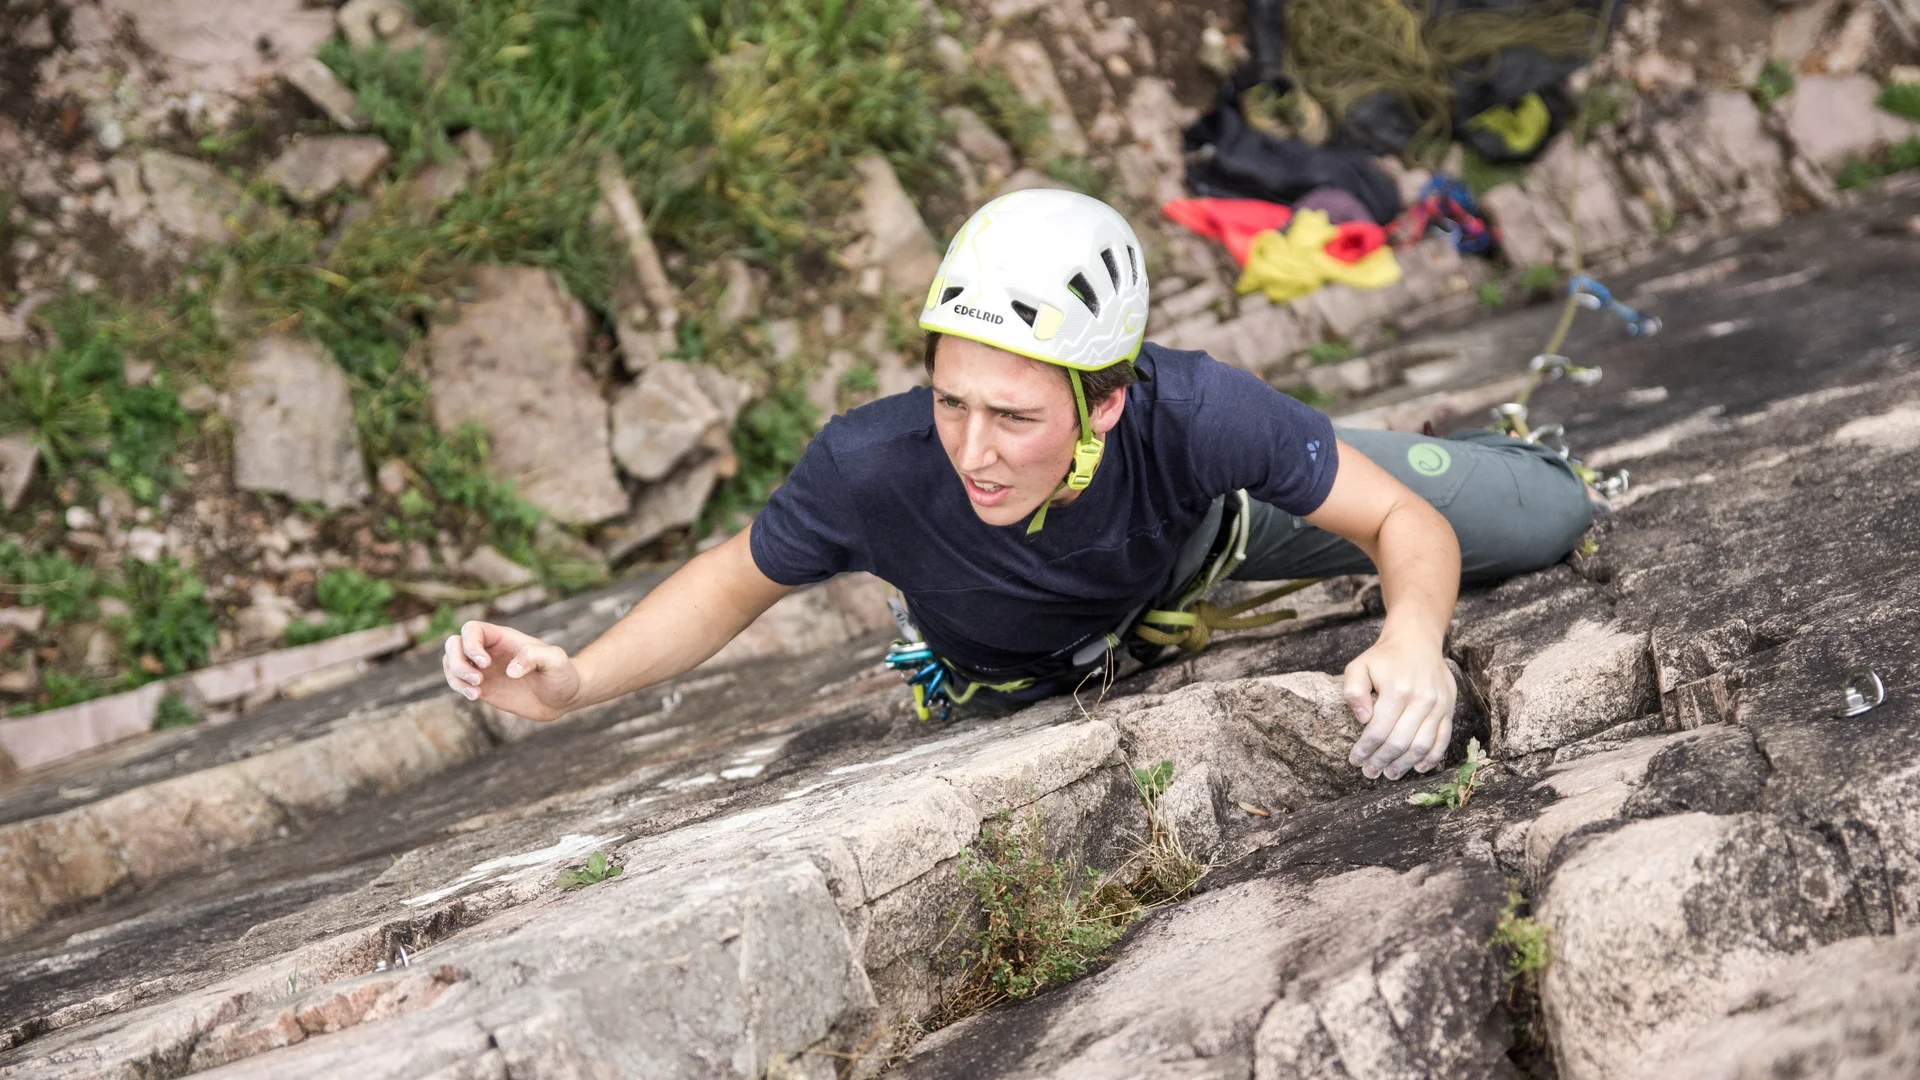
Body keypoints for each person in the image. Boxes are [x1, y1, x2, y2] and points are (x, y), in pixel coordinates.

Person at [443, 190, 1592, 782]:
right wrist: (576, 679)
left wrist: (1414, 640)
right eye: (952, 400)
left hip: (1209, 540)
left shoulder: (1189, 409)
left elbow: (1403, 522)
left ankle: (1336, 448)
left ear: (1104, 402)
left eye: (1013, 415)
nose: (972, 448)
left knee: (1549, 510)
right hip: (1016, 663)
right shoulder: (869, 466)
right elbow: (730, 581)